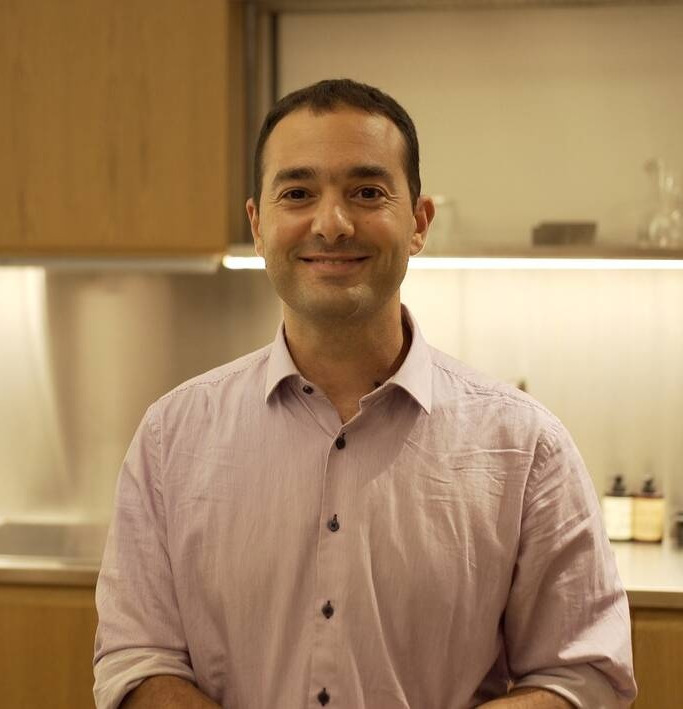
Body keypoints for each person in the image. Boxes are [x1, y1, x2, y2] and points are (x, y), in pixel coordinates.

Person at [93, 78, 637, 709]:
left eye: (367, 192)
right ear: (258, 224)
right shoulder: (171, 437)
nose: (332, 224)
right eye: (298, 193)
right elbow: (137, 659)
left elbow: (583, 677)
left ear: (419, 222)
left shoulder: (526, 447)